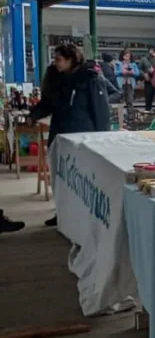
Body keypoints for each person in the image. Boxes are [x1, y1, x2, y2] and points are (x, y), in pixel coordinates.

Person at [30, 44, 111, 227]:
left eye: (59, 59)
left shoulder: (90, 77)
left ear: (71, 59)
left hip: (83, 139)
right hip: (59, 136)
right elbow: (48, 103)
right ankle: (62, 213)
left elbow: (101, 111)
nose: (55, 62)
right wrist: (33, 115)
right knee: (59, 178)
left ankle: (81, 217)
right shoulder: (56, 78)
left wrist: (103, 138)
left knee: (81, 178)